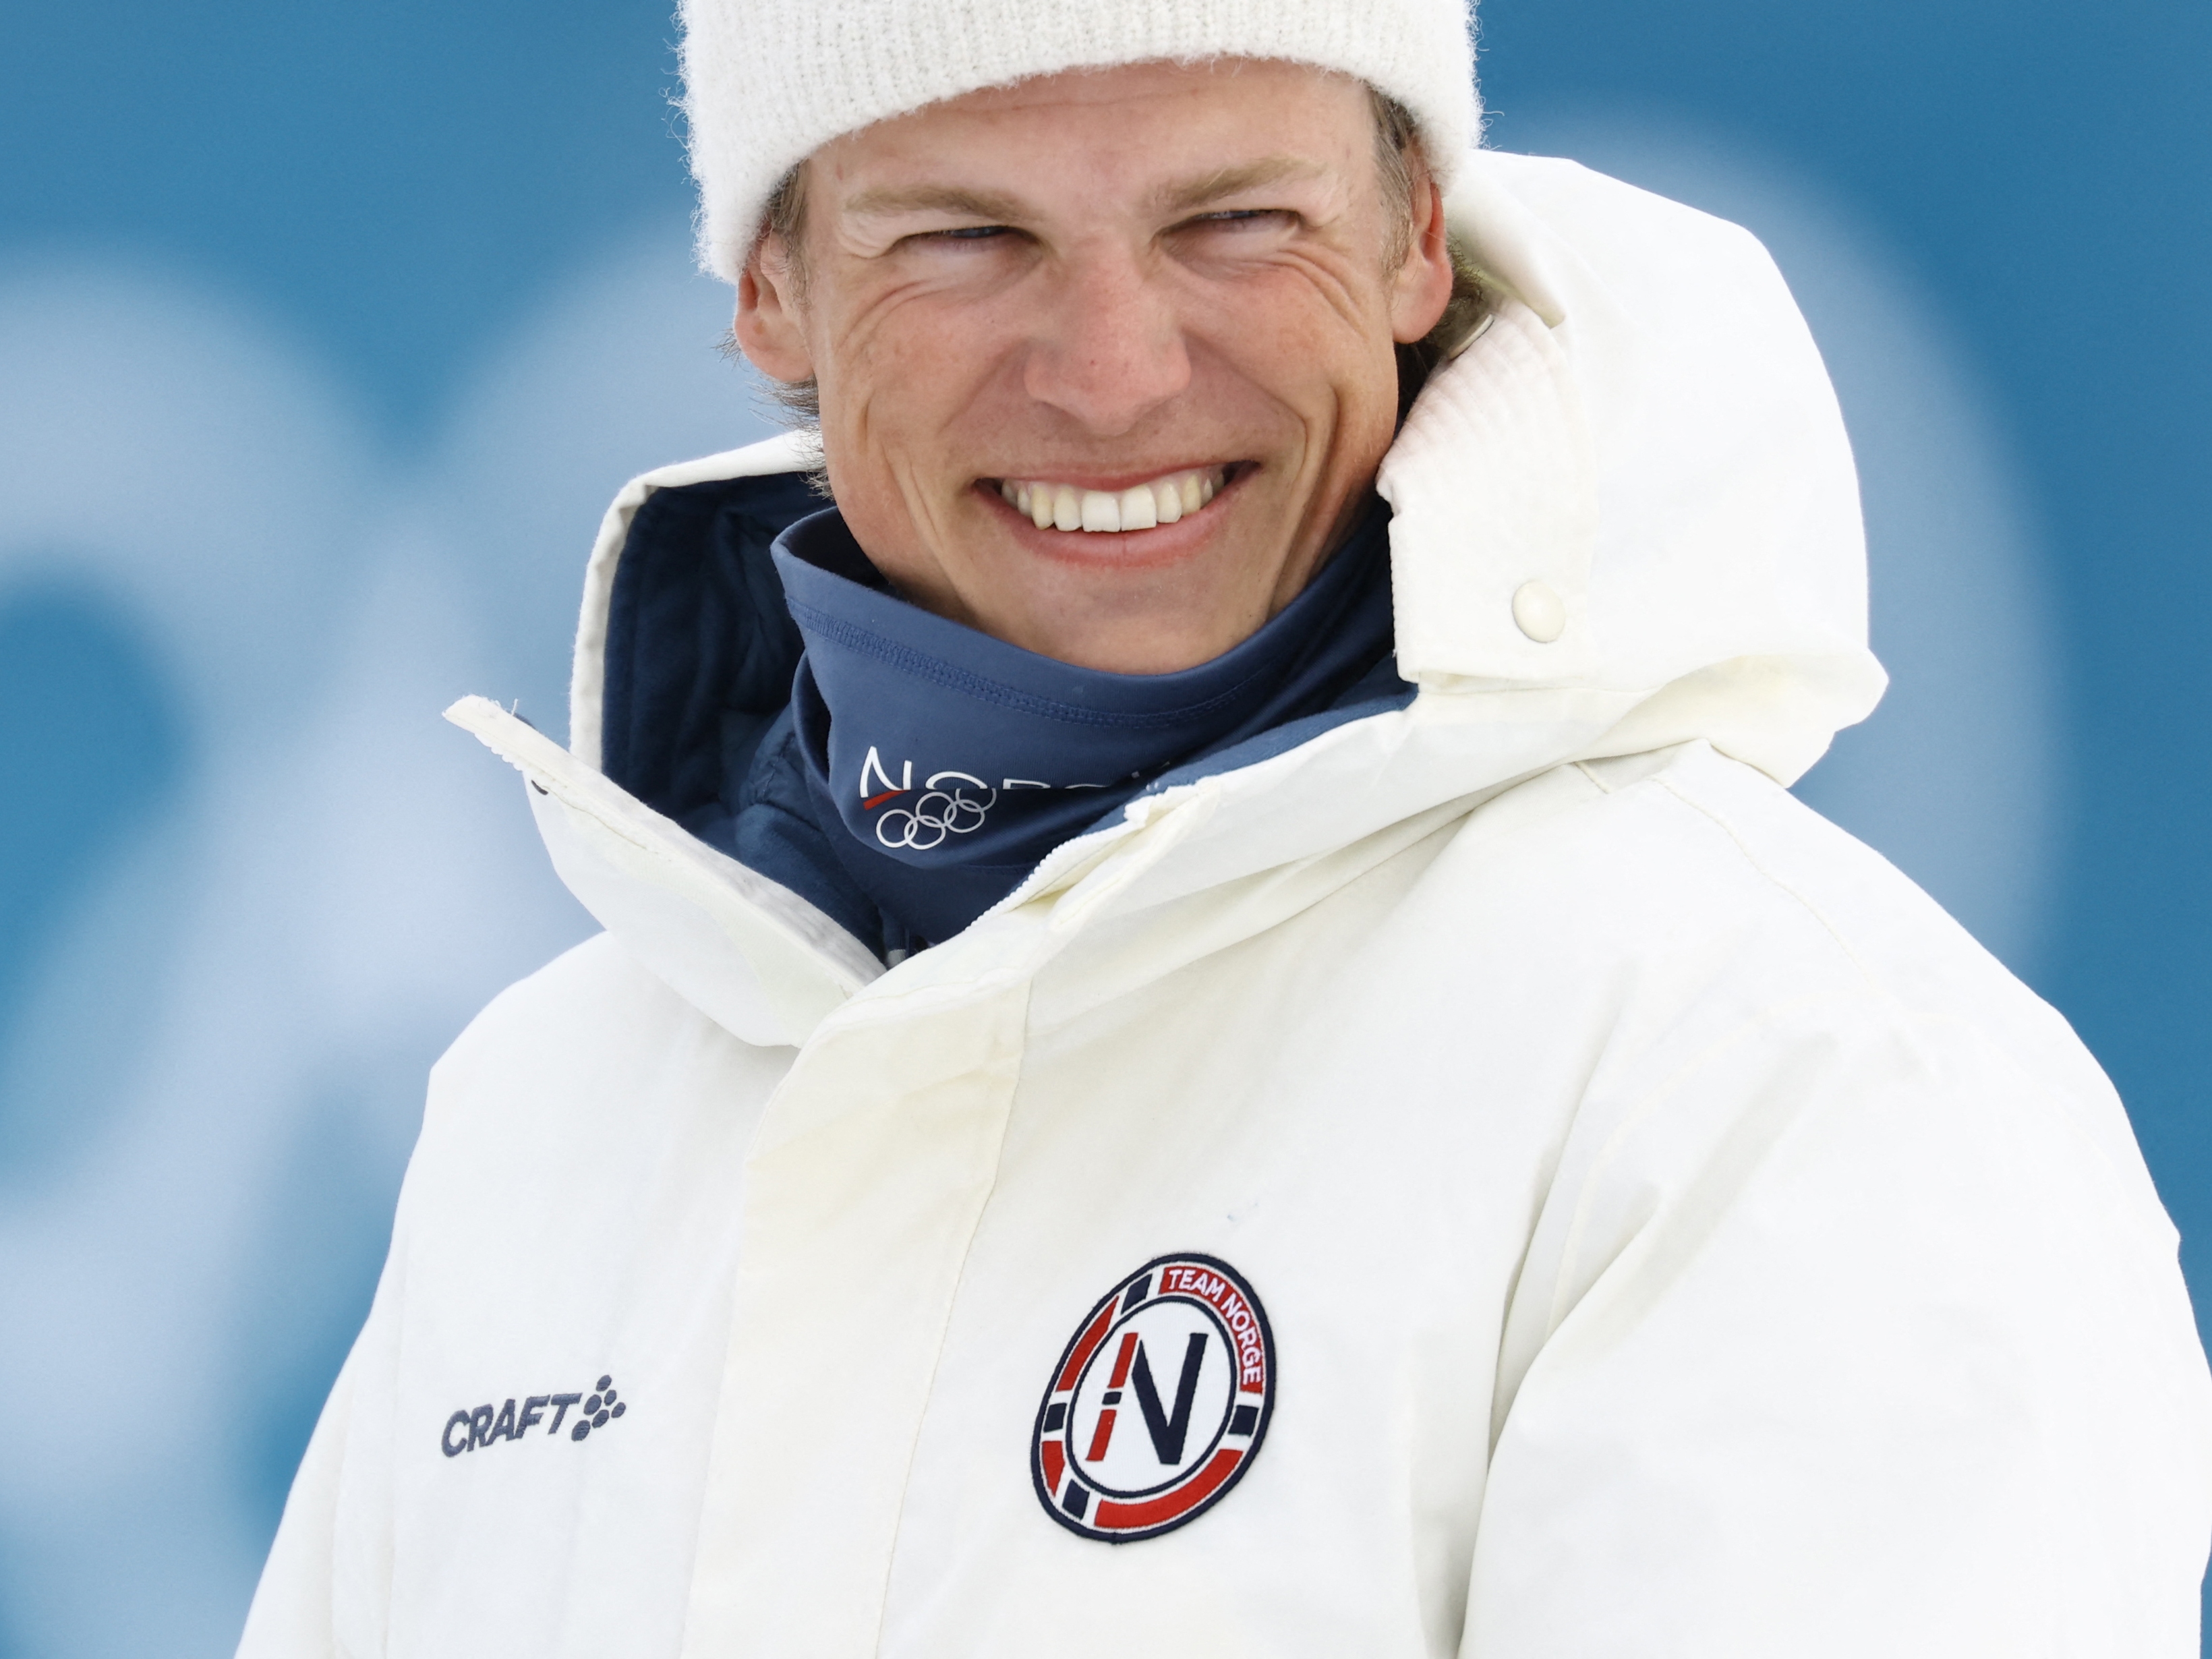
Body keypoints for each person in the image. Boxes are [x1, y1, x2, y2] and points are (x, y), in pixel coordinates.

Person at [239, 0, 2212, 1653]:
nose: (1115, 373)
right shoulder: (547, 1117)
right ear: (773, 288)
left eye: (1236, 221)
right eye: (967, 237)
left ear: (1418, 236)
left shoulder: (1766, 1071)